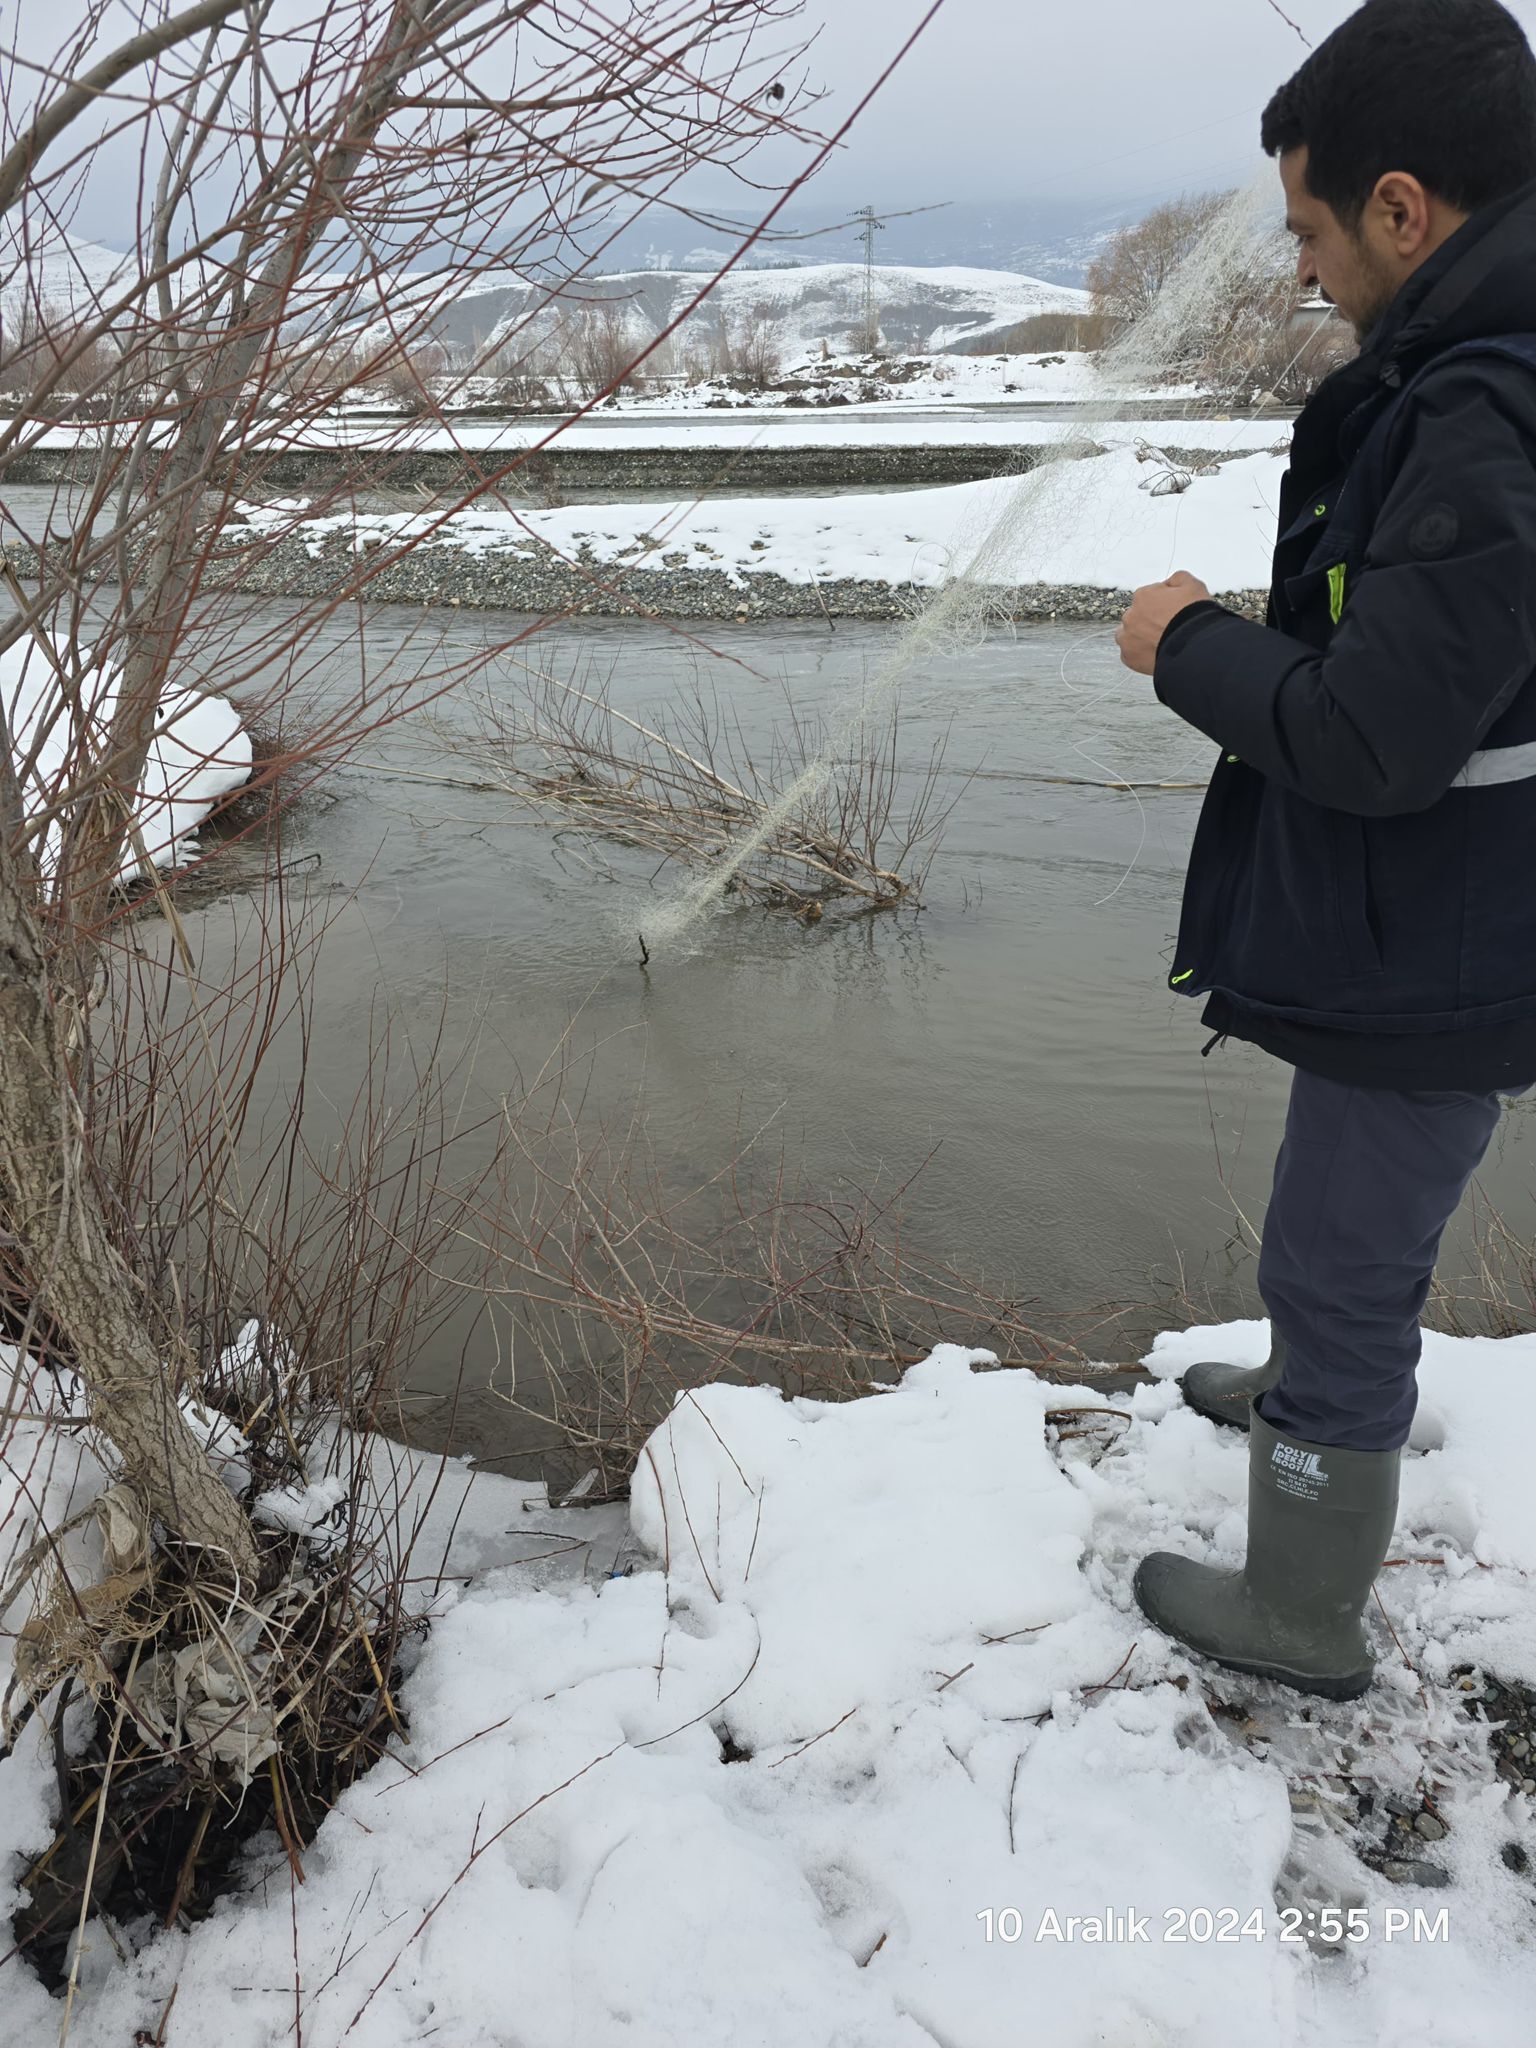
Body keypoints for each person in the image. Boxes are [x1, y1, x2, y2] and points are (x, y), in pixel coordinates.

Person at [1116, 0, 1536, 1701]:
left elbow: (1376, 740)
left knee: (1338, 1256)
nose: (1303, 270)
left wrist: (1190, 645)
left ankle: (1301, 1602)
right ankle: (1320, 1388)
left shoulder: (1479, 412)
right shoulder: (1485, 378)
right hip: (1455, 921)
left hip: (1446, 941)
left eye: (1309, 228)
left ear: (1403, 208)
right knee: (1348, 1224)